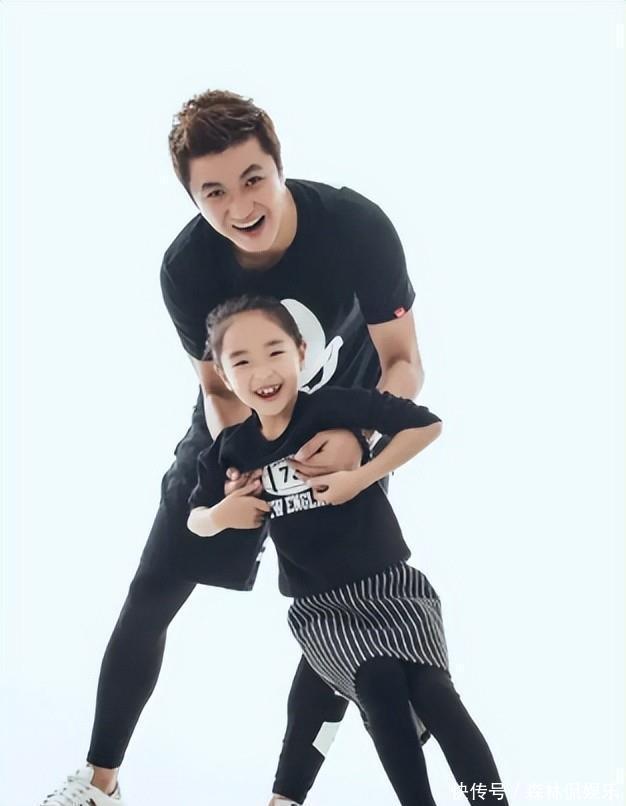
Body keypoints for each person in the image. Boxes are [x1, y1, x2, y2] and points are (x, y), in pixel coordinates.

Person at [39, 88, 426, 806]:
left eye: (252, 179)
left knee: (342, 613)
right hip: (235, 434)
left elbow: (402, 360)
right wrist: (237, 463)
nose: (239, 206)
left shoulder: (356, 226)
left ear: (279, 164)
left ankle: (285, 798)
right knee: (155, 585)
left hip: (342, 433)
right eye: (213, 192)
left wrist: (358, 438)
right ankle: (98, 785)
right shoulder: (187, 268)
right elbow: (218, 389)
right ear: (192, 197)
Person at [186, 294, 509, 806]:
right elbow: (196, 518)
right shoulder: (233, 450)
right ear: (224, 376)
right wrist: (222, 516)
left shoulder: (333, 407)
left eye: (274, 351)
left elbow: (427, 424)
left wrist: (362, 475)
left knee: (436, 694)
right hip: (322, 611)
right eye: (241, 361)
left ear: (301, 352)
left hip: (392, 589)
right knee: (379, 684)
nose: (262, 372)